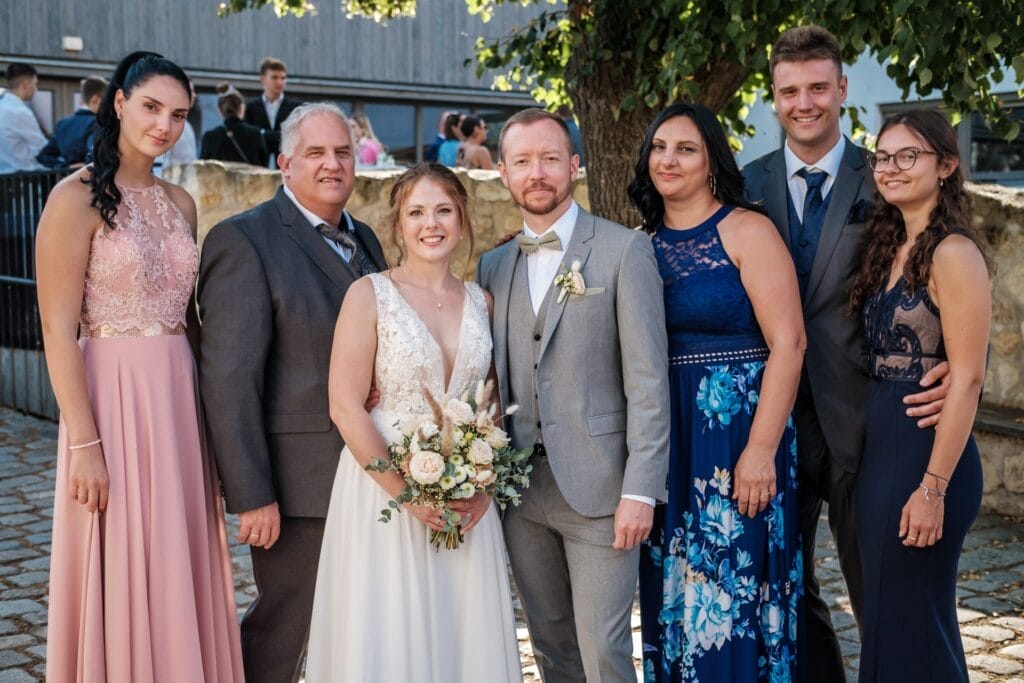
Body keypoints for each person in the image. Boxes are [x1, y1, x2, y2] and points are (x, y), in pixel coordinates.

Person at [742, 25, 949, 680]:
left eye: (817, 88)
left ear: (840, 89)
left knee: (882, 594)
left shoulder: (883, 172)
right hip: (773, 425)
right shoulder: (747, 184)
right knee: (787, 584)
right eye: (789, 90)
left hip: (869, 418)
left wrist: (950, 358)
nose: (804, 102)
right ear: (774, 96)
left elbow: (945, 257)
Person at [36, 51, 243, 682]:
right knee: (119, 555)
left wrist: (217, 430)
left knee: (177, 552)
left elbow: (195, 322)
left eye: (178, 115)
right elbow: (56, 329)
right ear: (119, 102)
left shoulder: (181, 203)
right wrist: (86, 445)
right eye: (152, 107)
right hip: (111, 400)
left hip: (178, 400)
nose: (165, 125)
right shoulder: (73, 198)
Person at [306, 163, 521, 681]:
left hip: (468, 496)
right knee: (389, 627)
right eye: (417, 212)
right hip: (385, 491)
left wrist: (485, 486)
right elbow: (345, 405)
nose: (432, 223)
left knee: (461, 631)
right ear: (398, 223)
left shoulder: (481, 301)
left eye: (444, 210)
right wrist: (406, 491)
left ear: (463, 220)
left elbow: (489, 404)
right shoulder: (369, 295)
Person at [478, 107, 670, 682]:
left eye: (550, 158)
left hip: (602, 490)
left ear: (574, 166)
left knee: (604, 651)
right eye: (522, 161)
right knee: (551, 647)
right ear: (505, 174)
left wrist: (641, 489)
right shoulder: (493, 263)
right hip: (519, 493)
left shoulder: (623, 251)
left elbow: (648, 382)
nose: (537, 173)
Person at [198, 102, 387, 683]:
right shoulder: (244, 241)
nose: (332, 164)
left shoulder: (368, 239)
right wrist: (252, 493)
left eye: (342, 152)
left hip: (374, 474)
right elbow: (229, 380)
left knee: (360, 624)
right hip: (297, 486)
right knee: (286, 628)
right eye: (315, 153)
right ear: (284, 163)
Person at [628, 103, 805, 681]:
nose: (668, 160)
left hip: (739, 437)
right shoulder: (638, 244)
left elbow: (790, 343)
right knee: (672, 588)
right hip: (669, 440)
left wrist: (759, 450)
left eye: (686, 148)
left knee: (738, 590)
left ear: (712, 162)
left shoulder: (747, 230)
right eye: (659, 147)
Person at [850, 109, 988, 682]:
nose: (892, 168)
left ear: (947, 165)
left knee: (915, 625)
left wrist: (933, 489)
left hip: (926, 450)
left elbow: (971, 376)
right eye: (883, 157)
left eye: (909, 155)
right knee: (891, 620)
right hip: (883, 442)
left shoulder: (953, 252)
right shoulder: (891, 246)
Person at [37, 75, 107, 168]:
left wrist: (65, 167)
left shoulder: (62, 124)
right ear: (96, 100)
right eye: (107, 101)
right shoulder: (98, 123)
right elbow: (96, 156)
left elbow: (44, 156)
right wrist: (84, 166)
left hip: (68, 179)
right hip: (92, 179)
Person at [244, 56, 302, 167]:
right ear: (262, 78)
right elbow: (248, 137)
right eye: (274, 77)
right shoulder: (250, 108)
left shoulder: (295, 108)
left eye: (283, 78)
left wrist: (263, 133)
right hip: (256, 168)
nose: (280, 82)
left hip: (287, 168)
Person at [200, 82, 268, 166]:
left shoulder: (209, 137)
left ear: (220, 110)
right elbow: (264, 169)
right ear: (241, 107)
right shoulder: (256, 134)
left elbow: (202, 171)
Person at [0, 63, 48, 173]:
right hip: (25, 178)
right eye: (35, 84)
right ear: (26, 84)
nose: (36, 89)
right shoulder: (20, 111)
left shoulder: (2, 106)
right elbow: (42, 147)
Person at [154, 78, 198, 175]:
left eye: (194, 91)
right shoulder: (167, 123)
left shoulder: (187, 125)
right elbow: (159, 162)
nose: (194, 95)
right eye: (191, 91)